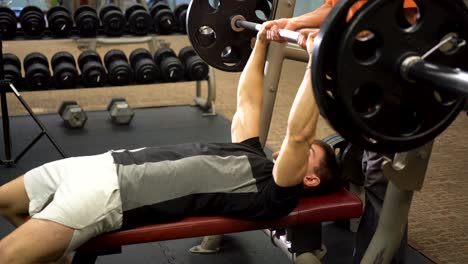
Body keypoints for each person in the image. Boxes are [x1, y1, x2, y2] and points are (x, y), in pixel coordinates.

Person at [0, 28, 341, 264]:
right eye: (308, 146)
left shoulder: (275, 194)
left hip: (108, 195)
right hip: (97, 163)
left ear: (308, 178)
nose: (301, 146)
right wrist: (261, 43)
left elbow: (298, 133)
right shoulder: (253, 154)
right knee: (7, 203)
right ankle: (57, 255)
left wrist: (315, 61)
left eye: (309, 153)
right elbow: (248, 102)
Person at [263, 0, 417, 263]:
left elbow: (407, 24)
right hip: (362, 76)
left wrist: (334, 38)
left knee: (381, 176)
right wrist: (295, 23)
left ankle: (377, 257)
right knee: (359, 148)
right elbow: (336, 8)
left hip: (396, 79)